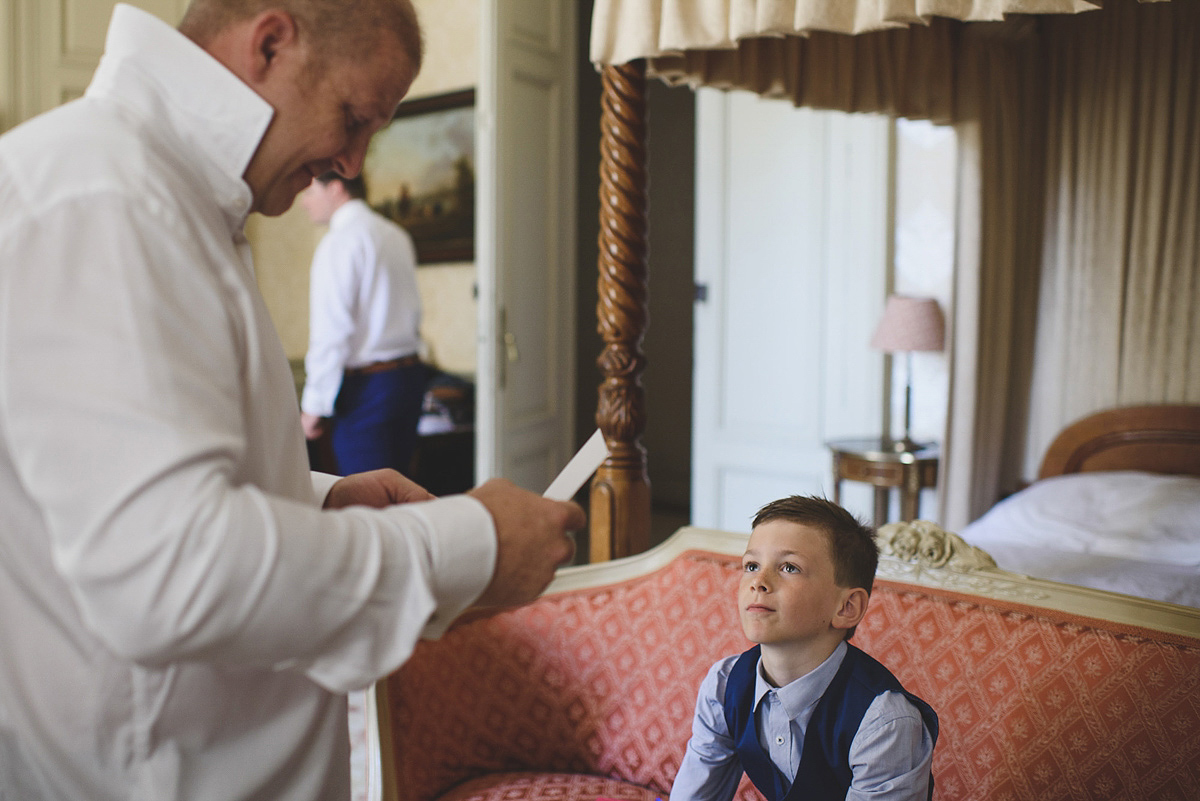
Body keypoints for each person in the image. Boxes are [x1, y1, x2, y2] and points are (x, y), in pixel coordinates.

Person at [0, 2, 583, 800]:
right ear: (271, 43)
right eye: (352, 117)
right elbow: (171, 571)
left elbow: (109, 476)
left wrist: (317, 495)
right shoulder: (105, 198)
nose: (350, 163)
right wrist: (468, 541)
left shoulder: (175, 197)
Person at [670, 496, 938, 801]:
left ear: (847, 607)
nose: (759, 581)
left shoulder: (885, 722)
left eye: (789, 567)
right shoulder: (724, 685)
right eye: (751, 565)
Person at [299, 170, 426, 476]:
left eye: (310, 191)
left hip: (367, 390)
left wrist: (314, 406)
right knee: (400, 494)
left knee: (368, 507)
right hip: (408, 379)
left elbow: (333, 331)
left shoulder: (339, 243)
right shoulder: (396, 235)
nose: (304, 202)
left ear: (336, 189)